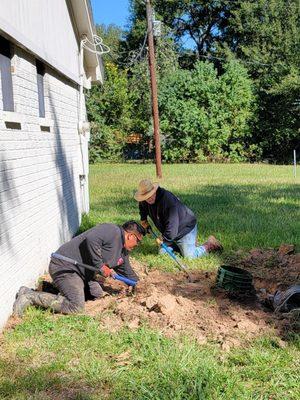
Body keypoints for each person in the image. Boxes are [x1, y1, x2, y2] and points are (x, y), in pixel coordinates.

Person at [13, 221, 145, 316]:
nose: (137, 245)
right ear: (130, 236)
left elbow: (128, 273)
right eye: (138, 241)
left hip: (83, 275)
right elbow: (91, 239)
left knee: (97, 294)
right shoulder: (112, 230)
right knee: (76, 306)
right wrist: (100, 265)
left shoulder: (122, 252)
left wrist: (142, 286)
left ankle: (43, 290)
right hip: (65, 266)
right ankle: (30, 297)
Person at [134, 179, 222, 259]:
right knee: (163, 254)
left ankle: (209, 245)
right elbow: (142, 208)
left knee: (189, 257)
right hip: (170, 231)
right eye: (146, 197)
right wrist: (143, 220)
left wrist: (163, 239)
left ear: (155, 191)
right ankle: (183, 245)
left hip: (185, 228)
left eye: (150, 195)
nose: (149, 199)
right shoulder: (144, 200)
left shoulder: (168, 201)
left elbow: (172, 227)